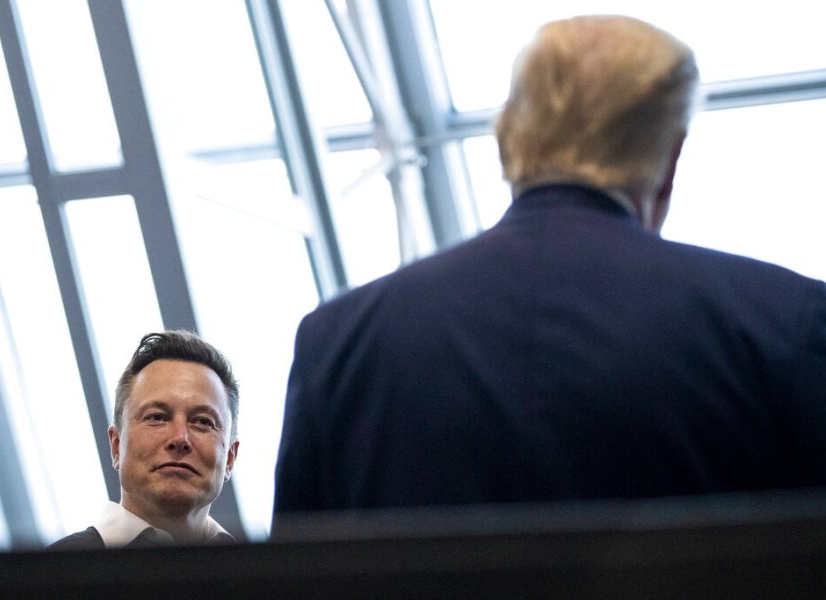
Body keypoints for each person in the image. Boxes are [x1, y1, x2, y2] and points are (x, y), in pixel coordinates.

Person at [273, 15, 826, 518]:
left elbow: (295, 581)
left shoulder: (339, 340)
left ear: (506, 139)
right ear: (670, 156)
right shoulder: (785, 323)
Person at [49, 330, 240, 549]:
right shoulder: (48, 573)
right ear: (116, 446)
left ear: (230, 458)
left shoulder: (260, 576)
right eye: (157, 417)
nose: (180, 438)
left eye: (203, 422)